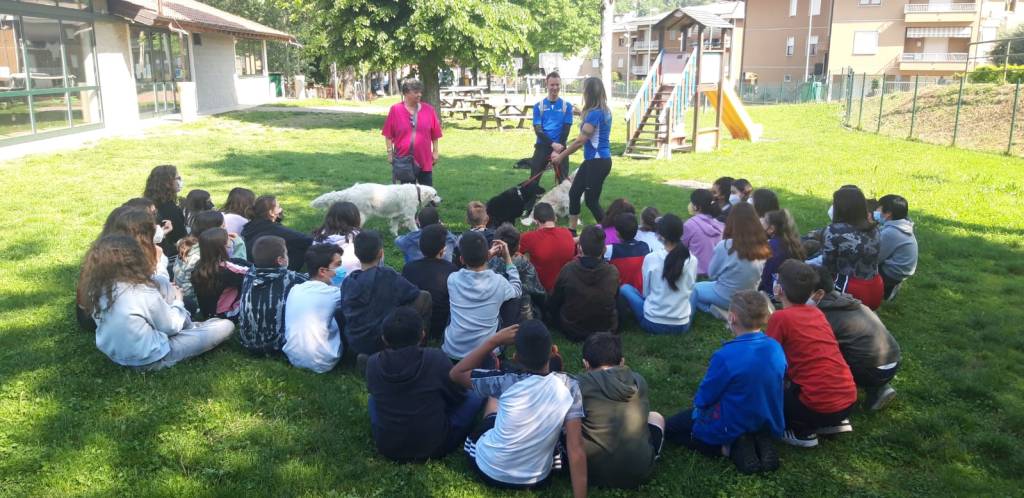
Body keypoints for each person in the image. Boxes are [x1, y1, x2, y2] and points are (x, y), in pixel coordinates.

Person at [451, 321, 588, 497]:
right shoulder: (570, 386)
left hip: (489, 468)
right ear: (553, 352)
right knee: (557, 441)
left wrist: (492, 342)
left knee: (494, 404)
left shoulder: (504, 381)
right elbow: (575, 448)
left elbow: (456, 374)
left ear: (515, 358)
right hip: (538, 479)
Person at [664, 291, 786, 474]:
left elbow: (706, 396)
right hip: (766, 416)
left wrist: (698, 408)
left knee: (671, 428)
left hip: (733, 419)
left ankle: (727, 448)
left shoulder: (725, 356)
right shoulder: (775, 347)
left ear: (732, 317)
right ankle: (758, 438)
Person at [83, 235, 234, 370]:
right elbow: (171, 327)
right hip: (152, 357)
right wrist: (179, 301)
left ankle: (194, 327)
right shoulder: (141, 291)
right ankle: (197, 327)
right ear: (134, 260)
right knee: (226, 325)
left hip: (116, 354)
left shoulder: (95, 288)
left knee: (161, 283)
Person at [366, 307, 485, 461]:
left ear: (384, 339)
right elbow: (458, 396)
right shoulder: (435, 358)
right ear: (422, 335)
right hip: (436, 445)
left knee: (373, 400)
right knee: (474, 395)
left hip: (389, 447)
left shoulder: (373, 363)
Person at [767, 260, 858, 448]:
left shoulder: (780, 317)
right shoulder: (817, 314)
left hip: (815, 405)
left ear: (779, 289)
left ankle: (803, 432)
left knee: (766, 394)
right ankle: (833, 422)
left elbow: (769, 358)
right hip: (848, 400)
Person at [578, 333, 664, 488]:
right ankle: (650, 455)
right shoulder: (639, 381)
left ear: (585, 364)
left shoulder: (579, 384)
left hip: (593, 472)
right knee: (656, 417)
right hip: (641, 471)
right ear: (622, 361)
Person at [810, 265, 901, 411]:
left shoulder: (824, 315)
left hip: (870, 370)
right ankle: (879, 388)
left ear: (817, 293)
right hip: (893, 360)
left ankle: (836, 400)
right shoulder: (847, 301)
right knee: (856, 345)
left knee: (821, 353)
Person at [342, 230, 431, 357]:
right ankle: (417, 347)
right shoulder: (388, 275)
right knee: (424, 297)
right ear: (381, 253)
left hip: (357, 341)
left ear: (356, 253)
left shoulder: (348, 282)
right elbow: (413, 293)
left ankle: (366, 357)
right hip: (384, 338)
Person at [441, 231, 522, 364]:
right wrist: (508, 258)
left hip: (453, 352)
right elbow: (517, 290)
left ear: (461, 259)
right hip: (487, 354)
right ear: (486, 256)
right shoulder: (499, 282)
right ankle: (500, 354)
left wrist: (484, 256)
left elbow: (470, 267)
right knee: (512, 300)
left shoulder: (452, 279)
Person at [550, 77, 613, 231]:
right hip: (595, 161)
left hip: (597, 162)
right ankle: (571, 231)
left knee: (591, 201)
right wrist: (580, 113)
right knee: (574, 193)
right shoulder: (603, 111)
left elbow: (580, 141)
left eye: (585, 90)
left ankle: (610, 233)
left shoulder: (594, 114)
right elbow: (592, 126)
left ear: (589, 93)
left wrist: (561, 156)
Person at [619, 214, 698, 335]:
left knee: (625, 288)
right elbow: (690, 288)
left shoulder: (651, 258)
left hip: (652, 323)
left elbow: (646, 293)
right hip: (682, 326)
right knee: (695, 291)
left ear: (661, 235)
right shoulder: (692, 259)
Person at [691, 203, 771, 320]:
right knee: (703, 287)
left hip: (725, 296)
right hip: (748, 298)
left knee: (692, 290)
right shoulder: (763, 246)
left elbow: (712, 274)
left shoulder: (725, 245)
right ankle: (732, 310)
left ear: (732, 221)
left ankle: (716, 311)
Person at [237, 235, 309, 355]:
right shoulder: (290, 277)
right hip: (277, 345)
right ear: (281, 260)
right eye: (286, 253)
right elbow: (314, 283)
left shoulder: (249, 275)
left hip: (247, 342)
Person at [549, 226, 620, 341]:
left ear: (579, 248)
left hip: (573, 329)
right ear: (604, 250)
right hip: (604, 329)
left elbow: (554, 301)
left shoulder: (568, 269)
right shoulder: (613, 272)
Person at [283, 244, 345, 373]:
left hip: (293, 358)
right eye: (338, 265)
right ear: (322, 271)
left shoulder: (295, 289)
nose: (341, 269)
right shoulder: (334, 294)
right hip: (325, 361)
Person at [823, 187, 883, 310]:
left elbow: (827, 268)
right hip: (876, 287)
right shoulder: (875, 229)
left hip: (850, 290)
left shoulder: (833, 231)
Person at [402, 224, 459, 341]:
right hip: (442, 325)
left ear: (420, 246)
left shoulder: (409, 268)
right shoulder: (452, 269)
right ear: (443, 249)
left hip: (416, 322)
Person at [382, 78, 442, 186]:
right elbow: (388, 134)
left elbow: (435, 135)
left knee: (428, 194)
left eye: (420, 92)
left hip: (424, 159)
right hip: (404, 160)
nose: (419, 94)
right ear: (405, 93)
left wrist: (436, 151)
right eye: (415, 92)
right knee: (408, 196)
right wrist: (390, 153)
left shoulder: (429, 110)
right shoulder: (395, 110)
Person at [174, 211, 237, 311]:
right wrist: (236, 245)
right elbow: (234, 269)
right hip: (194, 301)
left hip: (182, 294)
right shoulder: (202, 254)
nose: (226, 229)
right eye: (223, 226)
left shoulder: (186, 244)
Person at [488, 223, 545, 321]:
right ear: (518, 247)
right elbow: (538, 292)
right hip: (520, 314)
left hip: (493, 312)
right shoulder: (525, 264)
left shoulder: (487, 262)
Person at [190, 228, 251, 320]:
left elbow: (236, 263)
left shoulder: (199, 266)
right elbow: (255, 273)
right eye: (228, 239)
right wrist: (240, 243)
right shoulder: (227, 270)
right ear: (224, 246)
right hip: (227, 315)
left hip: (208, 313)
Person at [242, 195, 313, 272]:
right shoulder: (273, 228)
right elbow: (306, 240)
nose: (281, 209)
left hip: (253, 268)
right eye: (278, 207)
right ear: (271, 213)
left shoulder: (250, 227)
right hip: (272, 271)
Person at [528, 71, 573, 188]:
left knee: (563, 182)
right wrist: (552, 145)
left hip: (560, 146)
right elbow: (538, 130)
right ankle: (529, 206)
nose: (555, 88)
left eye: (557, 85)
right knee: (533, 180)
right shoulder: (539, 106)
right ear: (546, 85)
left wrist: (558, 148)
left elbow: (566, 129)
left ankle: (565, 205)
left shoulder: (566, 106)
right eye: (552, 85)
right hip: (543, 146)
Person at [519, 202, 577, 292]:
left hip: (541, 291)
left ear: (536, 220)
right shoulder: (567, 233)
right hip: (567, 288)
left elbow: (513, 254)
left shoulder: (528, 237)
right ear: (554, 218)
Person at [875, 194, 918, 300]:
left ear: (888, 213)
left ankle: (884, 290)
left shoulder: (892, 232)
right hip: (901, 270)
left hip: (892, 273)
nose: (875, 211)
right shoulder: (901, 225)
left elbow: (875, 258)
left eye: (878, 208)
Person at [143, 164, 186, 263]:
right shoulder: (169, 208)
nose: (180, 181)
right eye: (177, 178)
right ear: (167, 183)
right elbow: (181, 237)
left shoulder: (148, 202)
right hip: (169, 255)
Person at [759, 209, 806, 295]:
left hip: (772, 293)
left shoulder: (770, 247)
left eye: (764, 221)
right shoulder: (794, 243)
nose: (761, 222)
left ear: (771, 229)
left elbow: (764, 278)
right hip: (793, 291)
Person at [312, 200, 363, 276]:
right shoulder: (359, 236)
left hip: (323, 281)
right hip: (354, 280)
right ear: (355, 218)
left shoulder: (318, 237)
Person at [604, 212, 650, 293]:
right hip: (640, 293)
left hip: (620, 296)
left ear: (617, 233)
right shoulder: (645, 247)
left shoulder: (610, 250)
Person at [682, 189, 724, 276]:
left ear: (697, 207)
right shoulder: (720, 225)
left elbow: (681, 247)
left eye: (692, 202)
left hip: (695, 273)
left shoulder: (690, 225)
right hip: (715, 273)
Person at [452, 201, 496, 267]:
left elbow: (456, 260)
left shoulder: (462, 238)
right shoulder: (495, 236)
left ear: (467, 220)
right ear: (487, 219)